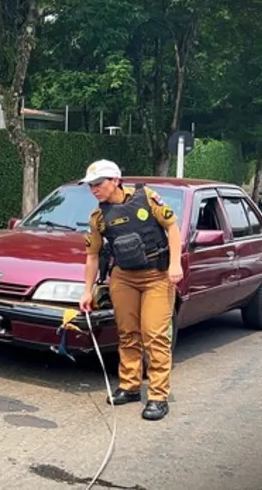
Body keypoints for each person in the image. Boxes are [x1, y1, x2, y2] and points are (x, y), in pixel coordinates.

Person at [77, 159, 182, 421]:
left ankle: (158, 396)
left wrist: (175, 264)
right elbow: (92, 256)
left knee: (154, 335)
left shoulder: (147, 198)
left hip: (156, 276)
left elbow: (172, 227)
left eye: (98, 184)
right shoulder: (98, 217)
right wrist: (86, 291)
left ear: (115, 180)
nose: (94, 190)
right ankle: (130, 386)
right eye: (90, 186)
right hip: (123, 277)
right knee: (127, 333)